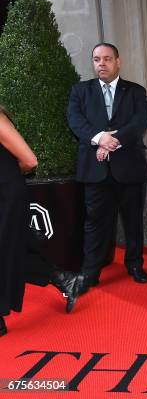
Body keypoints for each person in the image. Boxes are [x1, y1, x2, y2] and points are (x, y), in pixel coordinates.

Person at [67, 43, 147, 294]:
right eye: (96, 59)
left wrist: (112, 141)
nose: (101, 64)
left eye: (106, 59)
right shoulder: (80, 91)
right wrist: (99, 138)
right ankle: (90, 272)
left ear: (118, 61)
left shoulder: (135, 91)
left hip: (129, 168)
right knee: (94, 222)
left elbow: (140, 122)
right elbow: (75, 121)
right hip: (95, 170)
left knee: (133, 220)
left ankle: (135, 265)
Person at [0, 105, 82, 336]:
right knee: (18, 248)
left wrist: (7, 174)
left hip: (8, 195)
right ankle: (66, 280)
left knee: (6, 250)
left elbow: (29, 161)